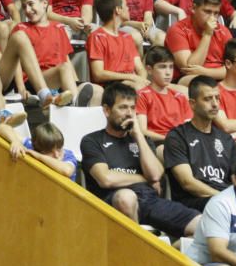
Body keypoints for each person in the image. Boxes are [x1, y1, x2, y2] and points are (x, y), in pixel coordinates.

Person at [81, 82, 201, 236]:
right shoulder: (92, 140)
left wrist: (138, 135)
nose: (129, 113)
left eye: (132, 108)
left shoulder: (142, 140)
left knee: (201, 225)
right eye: (123, 107)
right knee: (126, 197)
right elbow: (106, 179)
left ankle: (166, 252)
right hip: (112, 202)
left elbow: (156, 174)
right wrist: (144, 178)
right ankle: (138, 252)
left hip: (149, 201)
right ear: (106, 110)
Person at [164, 75, 236, 211]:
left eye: (217, 98)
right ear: (192, 103)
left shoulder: (226, 139)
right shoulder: (177, 136)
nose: (215, 104)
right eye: (207, 99)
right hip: (194, 202)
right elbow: (188, 183)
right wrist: (224, 199)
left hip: (225, 198)